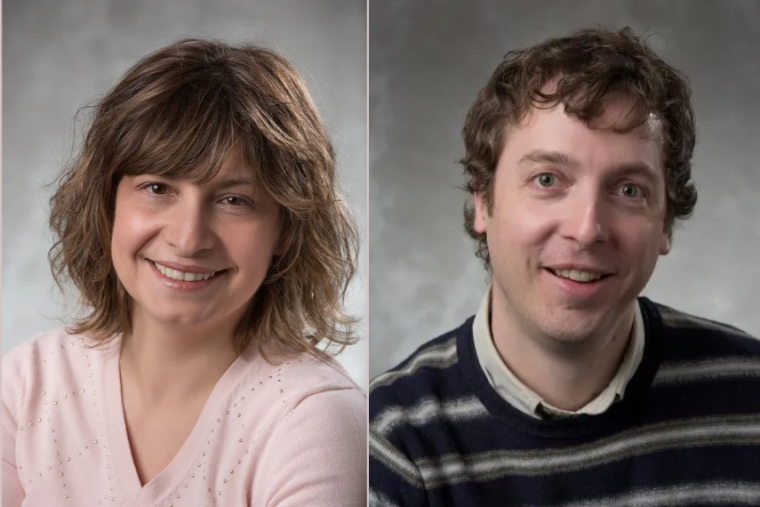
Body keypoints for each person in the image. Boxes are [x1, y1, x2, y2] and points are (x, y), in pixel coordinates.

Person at [369, 27, 760, 506]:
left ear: (665, 225)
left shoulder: (751, 398)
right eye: (548, 179)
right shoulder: (391, 440)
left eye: (629, 190)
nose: (587, 228)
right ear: (483, 204)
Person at [2, 38, 366, 506]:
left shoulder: (316, 421)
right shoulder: (26, 385)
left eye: (235, 200)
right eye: (158, 187)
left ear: (285, 231)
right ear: (107, 204)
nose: (189, 238)